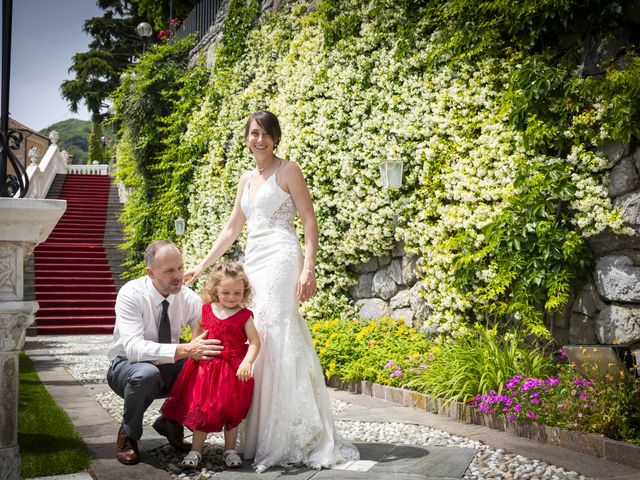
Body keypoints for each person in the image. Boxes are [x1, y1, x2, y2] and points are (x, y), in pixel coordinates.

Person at [185, 110, 359, 472]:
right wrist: (202, 265)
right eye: (253, 133)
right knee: (255, 333)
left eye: (265, 133)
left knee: (276, 330)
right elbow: (233, 228)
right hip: (254, 258)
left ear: (275, 137)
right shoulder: (246, 179)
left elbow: (309, 221)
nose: (259, 139)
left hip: (282, 255)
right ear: (246, 138)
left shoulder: (288, 170)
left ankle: (289, 432)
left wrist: (308, 269)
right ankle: (257, 432)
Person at [107, 240, 224, 465]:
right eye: (169, 270)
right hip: (126, 367)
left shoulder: (188, 298)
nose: (178, 275)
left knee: (206, 363)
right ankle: (128, 435)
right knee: (147, 373)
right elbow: (134, 348)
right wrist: (184, 349)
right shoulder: (131, 293)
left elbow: (204, 337)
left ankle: (171, 420)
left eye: (180, 267)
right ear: (150, 272)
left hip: (167, 367)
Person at [160, 262, 260, 469]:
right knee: (202, 410)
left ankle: (230, 450)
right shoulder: (204, 311)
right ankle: (196, 450)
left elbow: (255, 342)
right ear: (215, 290)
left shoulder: (244, 316)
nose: (231, 297)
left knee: (232, 411)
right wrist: (195, 356)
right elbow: (195, 340)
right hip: (206, 371)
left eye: (237, 293)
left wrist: (247, 362)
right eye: (226, 292)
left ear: (245, 292)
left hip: (233, 372)